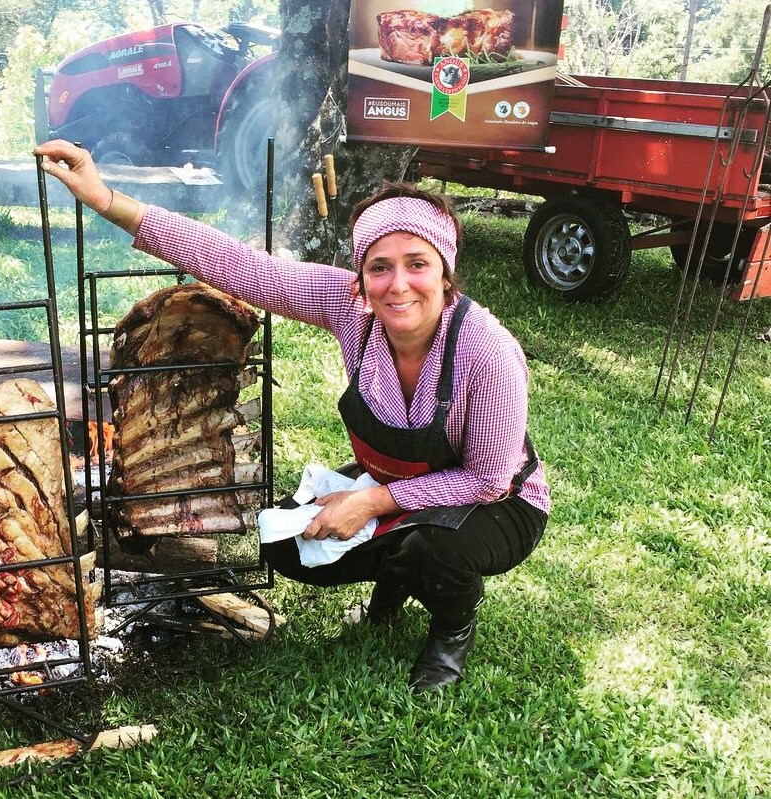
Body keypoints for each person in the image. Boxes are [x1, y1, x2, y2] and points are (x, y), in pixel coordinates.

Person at [34, 140, 550, 692]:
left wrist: (370, 501)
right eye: (380, 267)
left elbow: (487, 478)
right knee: (281, 542)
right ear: (360, 278)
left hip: (499, 506)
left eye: (417, 264)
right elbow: (241, 266)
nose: (398, 285)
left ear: (445, 274)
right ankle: (397, 574)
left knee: (435, 547)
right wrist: (106, 198)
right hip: (396, 485)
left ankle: (451, 629)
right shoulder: (350, 308)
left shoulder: (485, 349)